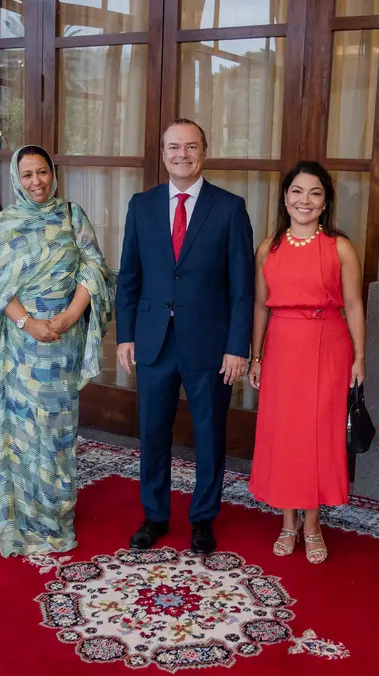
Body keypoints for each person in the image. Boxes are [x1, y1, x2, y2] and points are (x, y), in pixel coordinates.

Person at [115, 118, 255, 554]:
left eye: (191, 147)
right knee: (152, 431)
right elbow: (129, 276)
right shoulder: (142, 205)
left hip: (209, 344)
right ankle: (154, 515)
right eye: (173, 147)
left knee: (209, 433)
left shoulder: (230, 208)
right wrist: (124, 335)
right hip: (154, 339)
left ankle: (202, 519)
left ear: (204, 152)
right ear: (163, 154)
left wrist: (238, 346)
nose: (182, 154)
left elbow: (242, 286)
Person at [0, 145, 115, 557]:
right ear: (16, 180)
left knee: (57, 431)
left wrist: (70, 316)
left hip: (62, 341)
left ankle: (55, 518)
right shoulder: (4, 225)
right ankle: (23, 522)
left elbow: (94, 269)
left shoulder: (72, 216)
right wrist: (28, 323)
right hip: (21, 347)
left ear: (53, 173)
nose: (36, 181)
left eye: (42, 172)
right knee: (22, 431)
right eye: (27, 175)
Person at [247, 161, 366, 564]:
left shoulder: (340, 247)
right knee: (285, 434)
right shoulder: (268, 247)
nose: (305, 200)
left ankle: (312, 524)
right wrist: (256, 355)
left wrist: (359, 357)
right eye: (297, 191)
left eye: (315, 193)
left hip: (327, 346)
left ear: (326, 201)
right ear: (285, 197)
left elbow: (353, 304)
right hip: (281, 346)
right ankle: (287, 521)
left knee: (317, 436)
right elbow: (260, 308)